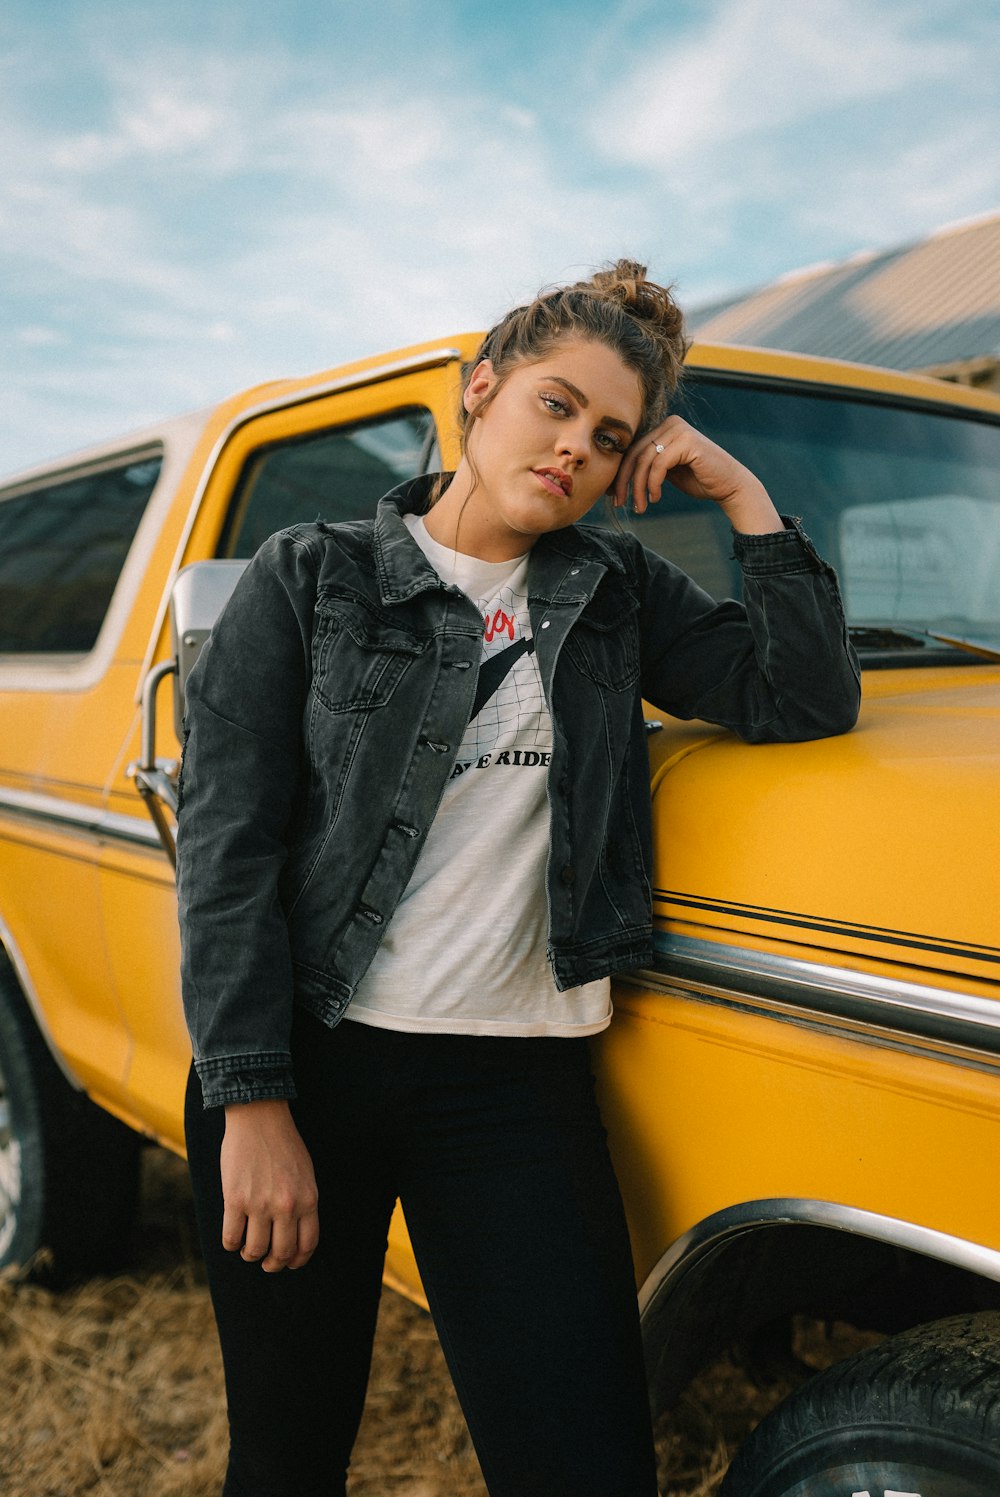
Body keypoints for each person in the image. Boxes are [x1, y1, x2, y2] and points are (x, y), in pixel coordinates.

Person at [177, 260, 860, 1497]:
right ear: (478, 391)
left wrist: (745, 496)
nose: (573, 451)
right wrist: (251, 1103)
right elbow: (226, 855)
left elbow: (799, 697)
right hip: (311, 1063)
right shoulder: (311, 574)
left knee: (584, 1464)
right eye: (553, 405)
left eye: (609, 438)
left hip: (514, 1082)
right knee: (286, 1455)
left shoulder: (615, 591)